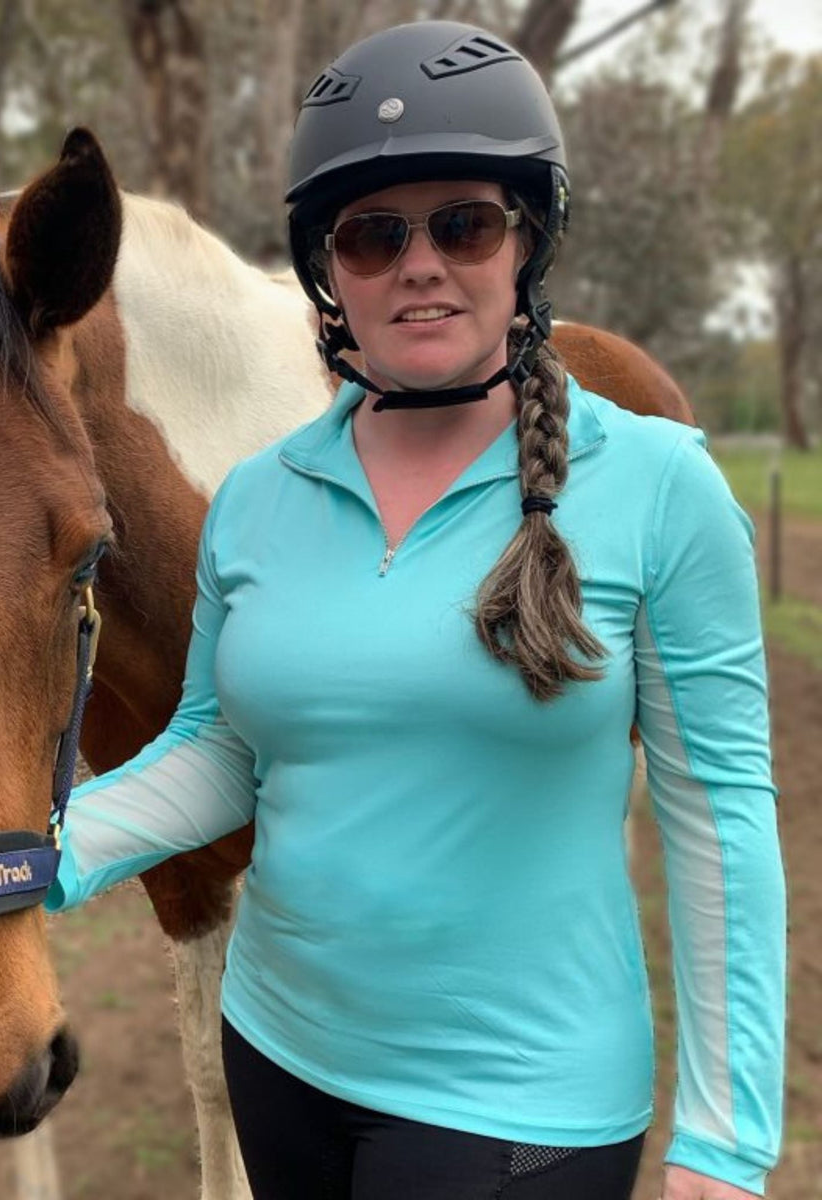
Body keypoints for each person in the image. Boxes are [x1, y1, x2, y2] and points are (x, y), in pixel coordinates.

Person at [46, 20, 786, 1200]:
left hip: (519, 1106)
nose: (420, 263)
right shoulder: (256, 499)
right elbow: (220, 753)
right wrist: (43, 849)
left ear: (524, 239)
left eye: (464, 223)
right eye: (374, 234)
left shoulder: (659, 488)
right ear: (327, 267)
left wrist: (727, 1130)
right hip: (280, 1058)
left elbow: (722, 815)